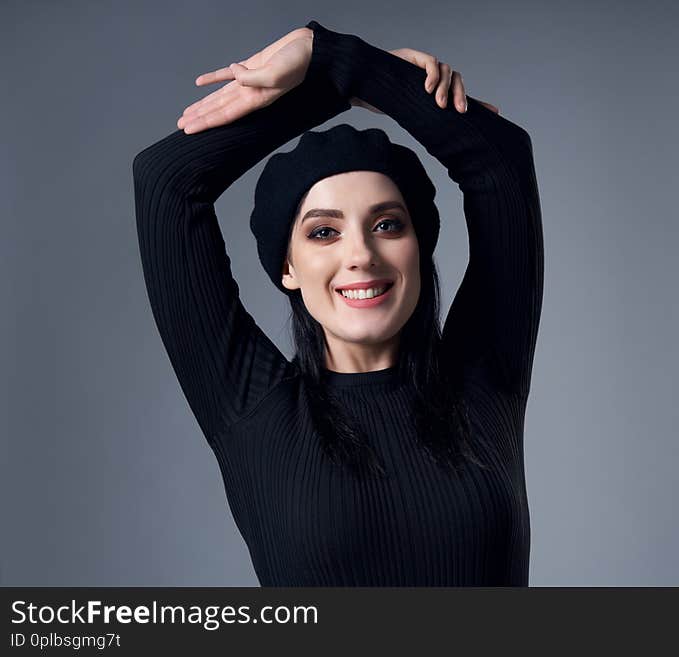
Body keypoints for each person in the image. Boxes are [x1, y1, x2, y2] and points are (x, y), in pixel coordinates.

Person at [132, 20, 543, 586]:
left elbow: (503, 161)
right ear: (288, 267)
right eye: (324, 233)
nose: (361, 255)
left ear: (419, 250)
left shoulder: (485, 379)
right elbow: (165, 183)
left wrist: (339, 58)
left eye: (388, 225)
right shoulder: (254, 412)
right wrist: (338, 81)